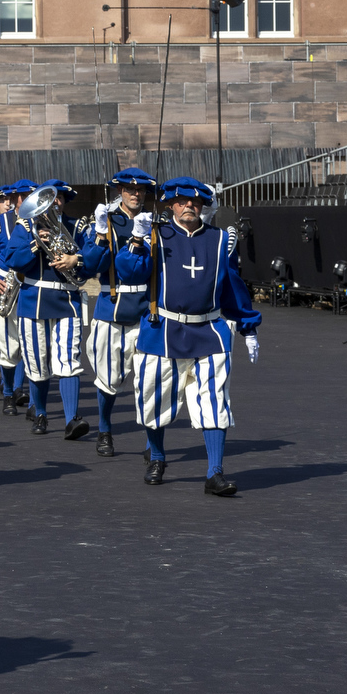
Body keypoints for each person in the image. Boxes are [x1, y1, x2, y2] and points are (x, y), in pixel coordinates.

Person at [113, 177, 261, 495]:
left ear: (203, 205)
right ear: (170, 204)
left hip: (210, 331)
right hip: (162, 330)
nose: (188, 206)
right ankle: (156, 456)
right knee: (153, 401)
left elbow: (231, 287)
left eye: (194, 202)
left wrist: (248, 326)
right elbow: (128, 272)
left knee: (215, 403)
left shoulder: (220, 240)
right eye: (181, 201)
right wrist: (136, 241)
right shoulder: (156, 234)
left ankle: (215, 472)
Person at [1, 180, 90, 439]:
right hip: (34, 300)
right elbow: (12, 260)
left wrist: (76, 259)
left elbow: (92, 261)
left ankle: (72, 419)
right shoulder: (24, 227)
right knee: (37, 364)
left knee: (69, 361)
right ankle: (40, 412)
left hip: (67, 300)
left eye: (60, 198)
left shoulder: (76, 227)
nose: (55, 203)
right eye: (51, 198)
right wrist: (35, 243)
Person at [81, 167, 159, 457]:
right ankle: (104, 428)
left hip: (146, 311)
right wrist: (101, 234)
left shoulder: (156, 223)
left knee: (150, 381)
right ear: (120, 192)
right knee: (108, 380)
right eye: (129, 189)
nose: (135, 194)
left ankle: (153, 444)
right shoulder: (107, 221)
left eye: (140, 190)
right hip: (112, 309)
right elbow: (91, 266)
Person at [0, 182, 34, 415]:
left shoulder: (44, 220)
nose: (25, 200)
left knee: (33, 346)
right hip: (6, 288)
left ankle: (34, 403)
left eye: (30, 195)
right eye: (21, 196)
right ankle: (9, 394)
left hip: (33, 288)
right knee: (7, 345)